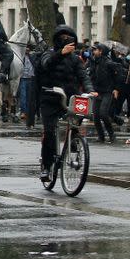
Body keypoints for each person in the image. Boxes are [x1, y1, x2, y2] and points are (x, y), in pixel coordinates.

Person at [36, 25, 96, 181]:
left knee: (78, 119)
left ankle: (74, 143)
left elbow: (84, 76)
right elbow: (46, 64)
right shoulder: (48, 54)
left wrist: (90, 90)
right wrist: (60, 54)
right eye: (63, 38)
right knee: (49, 132)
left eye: (69, 38)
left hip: (69, 98)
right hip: (50, 97)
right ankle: (47, 166)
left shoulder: (76, 59)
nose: (66, 41)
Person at [89, 43, 119, 143]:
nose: (94, 52)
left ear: (101, 51)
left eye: (96, 50)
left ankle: (111, 134)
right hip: (97, 91)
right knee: (96, 116)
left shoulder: (108, 63)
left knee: (103, 113)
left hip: (107, 91)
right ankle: (101, 136)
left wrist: (116, 88)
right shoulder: (93, 61)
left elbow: (119, 74)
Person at [18, 47, 35, 121]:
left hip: (31, 78)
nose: (27, 50)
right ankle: (23, 112)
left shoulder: (32, 57)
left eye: (28, 49)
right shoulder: (21, 57)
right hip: (23, 78)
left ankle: (28, 112)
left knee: (29, 97)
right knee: (23, 96)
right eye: (26, 49)